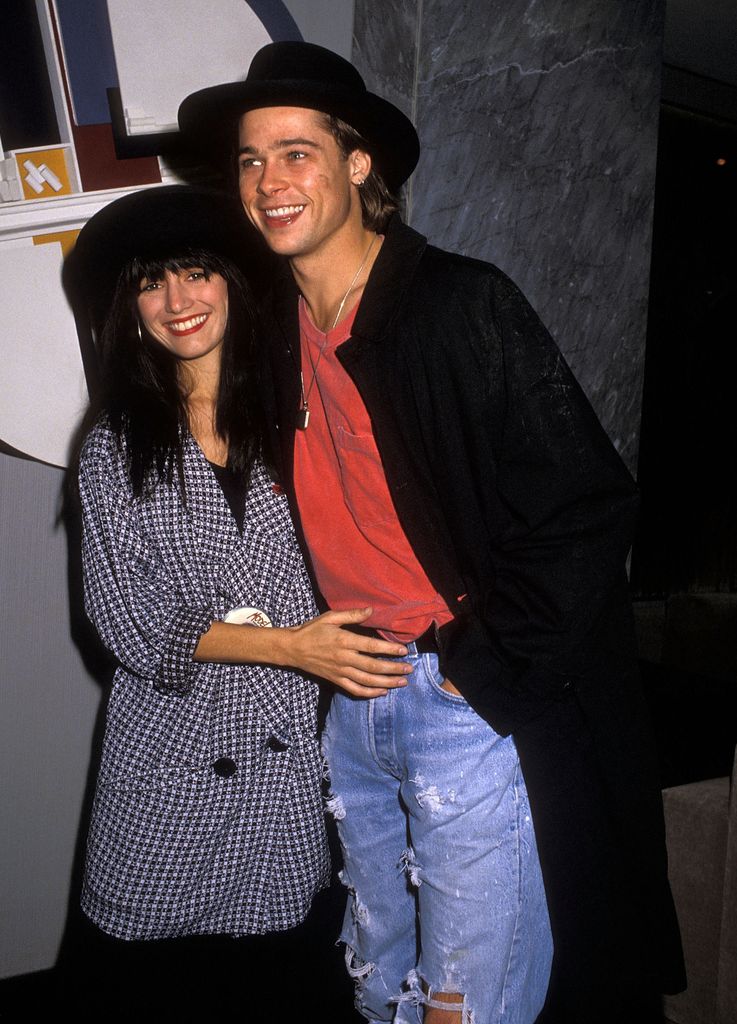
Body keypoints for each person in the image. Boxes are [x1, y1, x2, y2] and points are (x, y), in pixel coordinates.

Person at [179, 44, 685, 1024]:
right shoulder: (273, 333)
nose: (267, 182)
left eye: (295, 152)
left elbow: (584, 503)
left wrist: (481, 663)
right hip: (352, 699)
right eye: (249, 160)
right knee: (376, 982)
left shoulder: (458, 304)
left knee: (463, 1001)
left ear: (358, 162)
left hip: (456, 698)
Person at [66, 185, 409, 1013]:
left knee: (284, 978)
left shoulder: (302, 413)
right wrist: (289, 646)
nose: (177, 301)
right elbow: (125, 619)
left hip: (295, 753)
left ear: (231, 283)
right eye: (153, 283)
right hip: (169, 755)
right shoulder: (113, 445)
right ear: (129, 307)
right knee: (156, 984)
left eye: (195, 273)